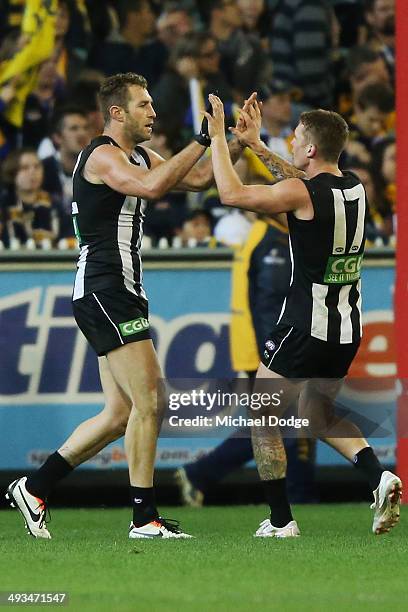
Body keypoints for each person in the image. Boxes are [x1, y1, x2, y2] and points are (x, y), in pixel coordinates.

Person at [6, 72, 250, 540]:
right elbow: (154, 187)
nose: (153, 113)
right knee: (152, 401)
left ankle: (35, 488)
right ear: (117, 112)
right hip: (104, 289)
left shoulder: (139, 155)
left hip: (119, 290)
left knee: (121, 414)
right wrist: (201, 138)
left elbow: (196, 179)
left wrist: (231, 139)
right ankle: (144, 518)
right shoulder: (100, 155)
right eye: (144, 105)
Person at [203, 94, 402, 537]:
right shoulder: (354, 186)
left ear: (311, 149)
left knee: (263, 416)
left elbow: (231, 192)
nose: (291, 143)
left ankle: (280, 520)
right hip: (346, 328)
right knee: (318, 414)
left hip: (302, 325)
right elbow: (302, 181)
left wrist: (220, 139)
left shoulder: (301, 191)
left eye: (296, 139)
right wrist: (256, 144)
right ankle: (378, 476)